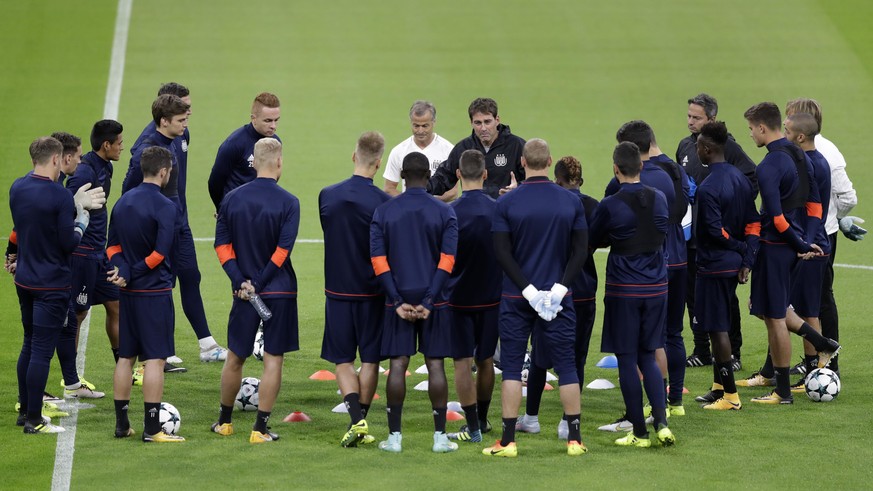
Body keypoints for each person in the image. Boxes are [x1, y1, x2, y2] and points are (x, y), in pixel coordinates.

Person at [484, 138, 589, 458]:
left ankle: (507, 441)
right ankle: (574, 439)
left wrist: (527, 289)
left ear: (522, 164)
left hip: (516, 298)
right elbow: (581, 250)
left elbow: (501, 252)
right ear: (550, 161)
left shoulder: (506, 203)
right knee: (568, 367)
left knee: (513, 368)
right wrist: (559, 289)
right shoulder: (571, 201)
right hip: (559, 298)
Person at [741, 102, 838, 405]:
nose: (750, 135)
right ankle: (821, 342)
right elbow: (815, 206)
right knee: (775, 308)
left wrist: (799, 245)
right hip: (794, 245)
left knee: (773, 317)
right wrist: (806, 240)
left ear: (761, 127)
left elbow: (776, 215)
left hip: (775, 247)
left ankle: (782, 391)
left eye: (750, 129)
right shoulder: (804, 157)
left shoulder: (769, 166)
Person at [124, 94, 227, 366]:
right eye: (181, 119)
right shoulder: (147, 151)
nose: (186, 123)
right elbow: (128, 195)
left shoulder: (176, 138)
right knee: (162, 287)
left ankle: (206, 344)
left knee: (191, 276)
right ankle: (160, 351)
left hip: (179, 225)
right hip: (159, 231)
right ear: (164, 121)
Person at [369, 152, 459, 453]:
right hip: (435, 300)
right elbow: (447, 262)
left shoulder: (384, 211)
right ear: (428, 176)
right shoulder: (445, 212)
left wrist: (396, 300)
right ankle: (439, 438)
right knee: (435, 364)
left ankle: (394, 439)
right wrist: (430, 300)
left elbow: (379, 261)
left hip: (398, 297)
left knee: (398, 364)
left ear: (404, 176)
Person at [212, 138, 300, 444]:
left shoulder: (231, 199)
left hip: (243, 293)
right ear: (278, 162)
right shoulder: (290, 202)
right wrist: (259, 284)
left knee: (235, 356)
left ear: (253, 163)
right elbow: (282, 252)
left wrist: (241, 282)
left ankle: (224, 422)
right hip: (279, 292)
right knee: (273, 359)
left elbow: (221, 247)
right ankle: (260, 429)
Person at [588, 141, 675, 448]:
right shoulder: (660, 198)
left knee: (626, 359)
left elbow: (593, 239)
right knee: (648, 356)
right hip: (657, 287)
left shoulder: (610, 204)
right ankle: (662, 423)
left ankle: (639, 432)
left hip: (624, 288)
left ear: (616, 169)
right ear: (641, 167)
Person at [610, 121, 690, 419]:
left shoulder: (634, 177)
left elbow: (613, 214)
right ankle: (675, 402)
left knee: (646, 342)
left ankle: (654, 404)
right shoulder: (675, 170)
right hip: (679, 254)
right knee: (674, 333)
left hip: (649, 264)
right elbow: (682, 211)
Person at [12, 136, 91, 434]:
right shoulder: (58, 196)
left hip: (25, 280)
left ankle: (24, 409)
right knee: (42, 351)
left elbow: (25, 229)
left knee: (29, 343)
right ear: (56, 159)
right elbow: (68, 243)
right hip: (52, 285)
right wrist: (81, 219)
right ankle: (34, 420)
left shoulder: (17, 187)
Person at [517, 155, 598, 440]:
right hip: (584, 291)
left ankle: (531, 418)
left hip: (548, 291)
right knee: (576, 357)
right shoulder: (592, 206)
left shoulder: (551, 204)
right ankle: (567, 422)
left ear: (557, 179)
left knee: (539, 354)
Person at [107, 146, 184, 442]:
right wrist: (134, 271)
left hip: (128, 293)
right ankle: (152, 429)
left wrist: (122, 270)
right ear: (164, 172)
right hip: (154, 293)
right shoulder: (166, 207)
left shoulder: (123, 202)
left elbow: (111, 246)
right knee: (155, 360)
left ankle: (122, 425)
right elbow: (160, 254)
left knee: (126, 357)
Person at [318, 132, 391, 447]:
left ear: (353, 156)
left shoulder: (326, 195)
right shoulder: (385, 203)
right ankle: (362, 418)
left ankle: (356, 420)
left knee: (343, 361)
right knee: (371, 360)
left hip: (338, 291)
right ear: (379, 164)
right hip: (374, 293)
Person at [676, 93, 757, 370]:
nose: (690, 121)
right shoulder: (685, 147)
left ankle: (733, 353)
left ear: (711, 118)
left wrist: (730, 209)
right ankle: (701, 349)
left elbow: (750, 177)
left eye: (696, 117)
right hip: (692, 237)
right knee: (693, 296)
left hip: (719, 239)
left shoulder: (727, 147)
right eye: (688, 116)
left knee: (725, 299)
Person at [784, 98, 863, 376]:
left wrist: (835, 217)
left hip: (820, 234)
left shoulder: (827, 152)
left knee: (819, 300)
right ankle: (809, 361)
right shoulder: (797, 151)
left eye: (789, 119)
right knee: (797, 300)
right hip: (806, 232)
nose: (785, 125)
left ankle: (828, 363)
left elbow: (848, 196)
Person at [690, 121, 760, 410]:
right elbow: (754, 222)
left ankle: (730, 396)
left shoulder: (708, 188)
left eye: (698, 147)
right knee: (717, 325)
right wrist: (747, 259)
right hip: (730, 266)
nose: (696, 151)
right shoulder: (740, 178)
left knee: (717, 329)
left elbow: (716, 232)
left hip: (713, 265)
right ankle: (719, 386)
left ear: (707, 150)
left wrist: (740, 249)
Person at [443, 150, 501, 443]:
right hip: (492, 298)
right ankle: (485, 418)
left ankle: (474, 427)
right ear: (486, 174)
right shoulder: (499, 209)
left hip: (458, 300)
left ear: (458, 175)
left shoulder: (450, 211)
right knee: (487, 359)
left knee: (462, 362)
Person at [65, 120, 124, 369]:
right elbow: (63, 205)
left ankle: (123, 365)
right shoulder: (84, 171)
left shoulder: (105, 165)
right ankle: (71, 378)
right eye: (119, 143)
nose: (123, 147)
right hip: (83, 253)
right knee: (79, 313)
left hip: (100, 252)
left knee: (117, 305)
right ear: (106, 144)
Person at [782, 112, 833, 390]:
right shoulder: (816, 162)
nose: (783, 134)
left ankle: (817, 370)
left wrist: (803, 242)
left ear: (800, 137)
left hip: (810, 247)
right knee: (803, 307)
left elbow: (811, 209)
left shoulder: (809, 166)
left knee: (807, 309)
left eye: (787, 130)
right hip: (811, 243)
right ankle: (815, 369)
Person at [427, 97, 525, 199]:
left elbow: (535, 179)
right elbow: (443, 178)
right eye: (478, 123)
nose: (483, 128)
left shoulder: (516, 146)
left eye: (487, 122)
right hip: (474, 211)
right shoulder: (464, 147)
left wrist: (517, 189)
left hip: (505, 212)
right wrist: (419, 189)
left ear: (497, 120)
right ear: (471, 122)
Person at [208, 92, 281, 212]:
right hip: (236, 211)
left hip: (262, 210)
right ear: (254, 118)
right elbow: (215, 182)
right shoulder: (234, 143)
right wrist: (222, 208)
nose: (273, 126)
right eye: (268, 121)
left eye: (276, 120)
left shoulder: (275, 143)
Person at [383, 100, 456, 201]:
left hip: (436, 214)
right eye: (416, 126)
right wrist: (410, 202)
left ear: (434, 122)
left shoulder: (448, 150)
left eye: (425, 126)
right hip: (409, 212)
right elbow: (389, 188)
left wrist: (427, 204)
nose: (420, 131)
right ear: (411, 123)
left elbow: (452, 192)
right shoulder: (398, 151)